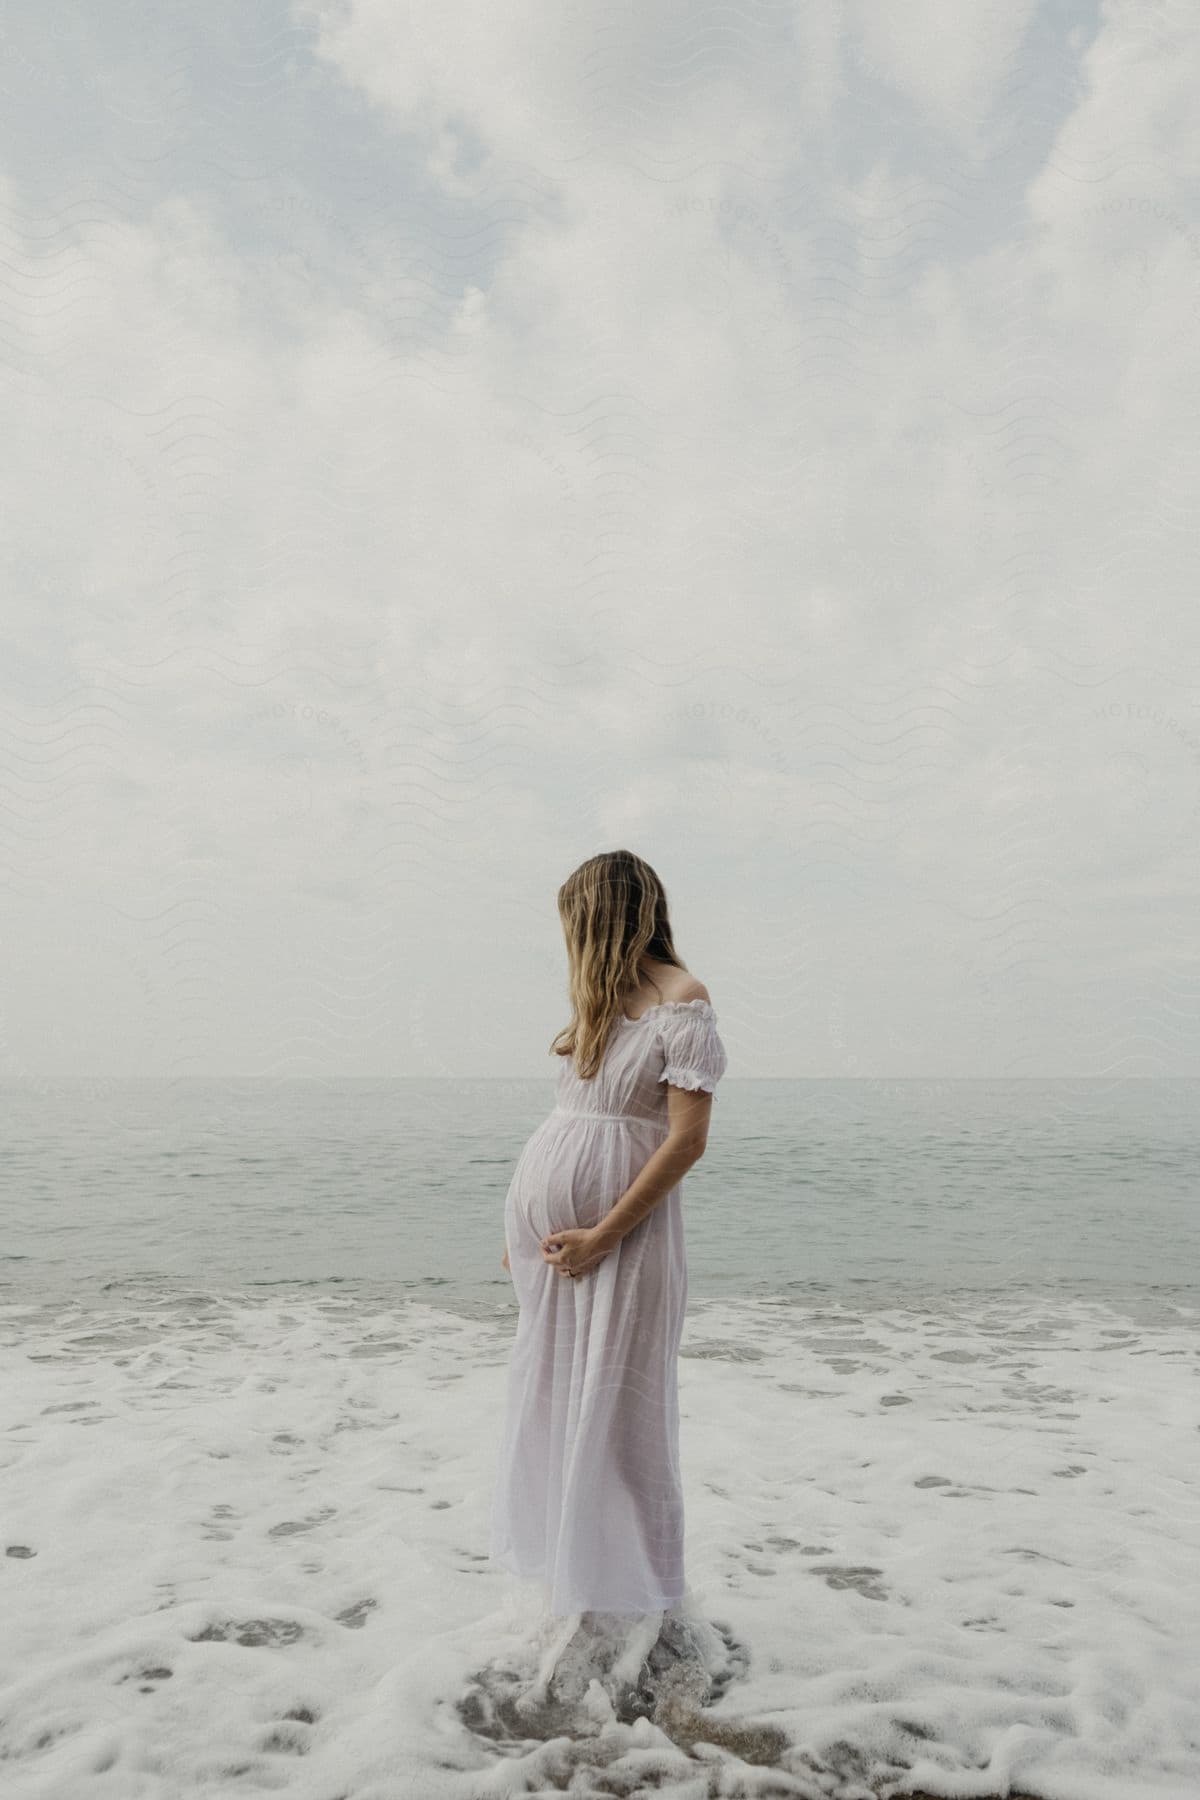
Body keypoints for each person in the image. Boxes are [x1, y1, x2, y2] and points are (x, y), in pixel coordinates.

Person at [488, 849, 728, 1624]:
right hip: (559, 1246)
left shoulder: (682, 1002)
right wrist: (519, 1225)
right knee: (556, 1403)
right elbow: (566, 1127)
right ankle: (576, 1586)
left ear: (606, 916)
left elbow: (686, 1142)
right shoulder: (597, 1005)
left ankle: (652, 1601)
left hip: (622, 1241)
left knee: (621, 1419)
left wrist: (602, 1235)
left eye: (577, 923)